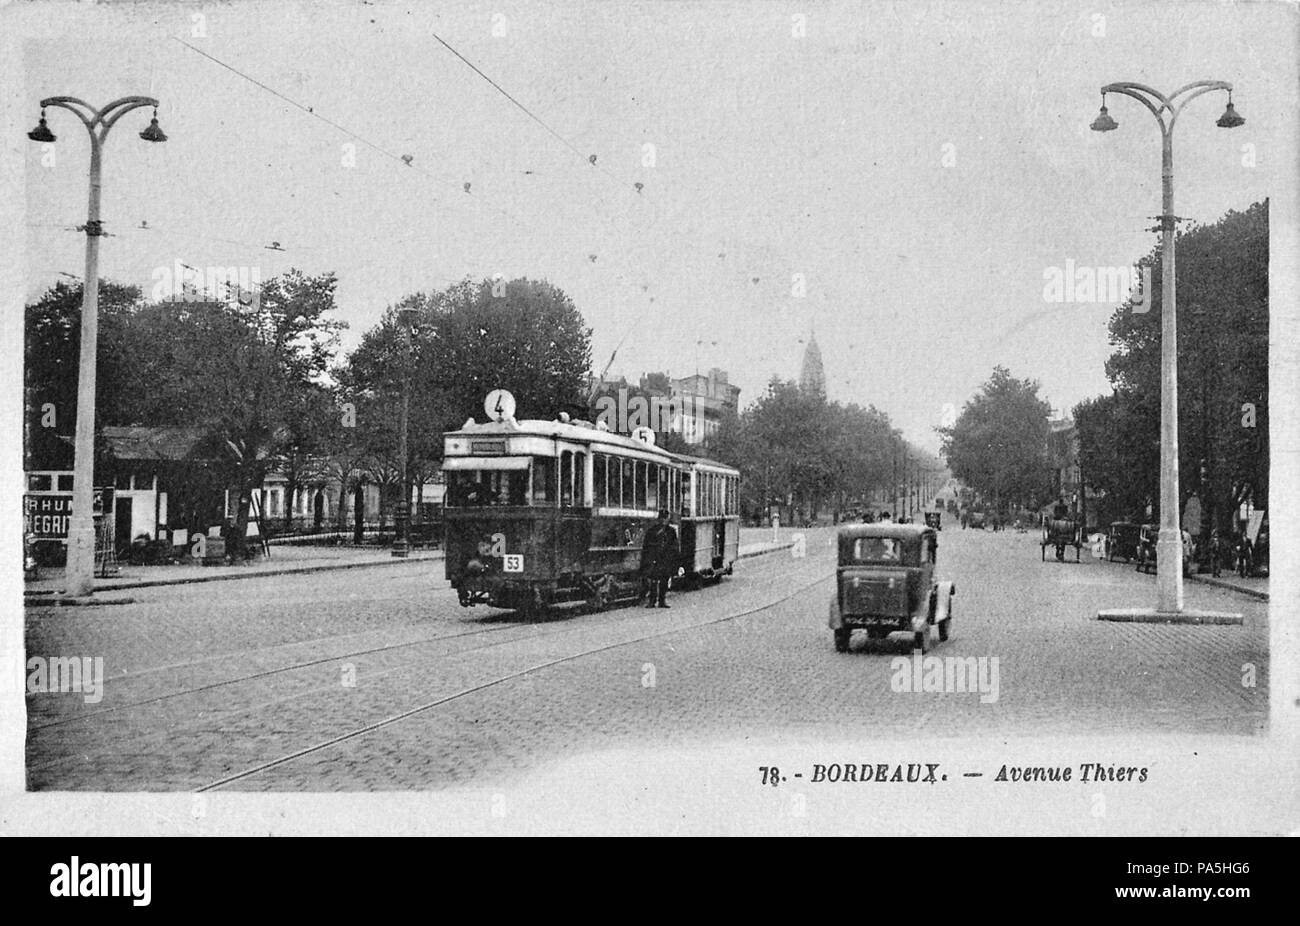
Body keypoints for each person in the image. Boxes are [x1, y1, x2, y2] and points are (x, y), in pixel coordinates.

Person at [640, 508, 679, 608]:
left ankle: (662, 601)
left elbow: (675, 546)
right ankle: (652, 601)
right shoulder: (652, 531)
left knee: (664, 580)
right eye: (661, 518)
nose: (663, 520)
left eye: (665, 518)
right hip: (655, 559)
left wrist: (673, 558)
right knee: (653, 580)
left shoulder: (671, 531)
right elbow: (646, 546)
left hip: (666, 559)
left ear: (667, 519)